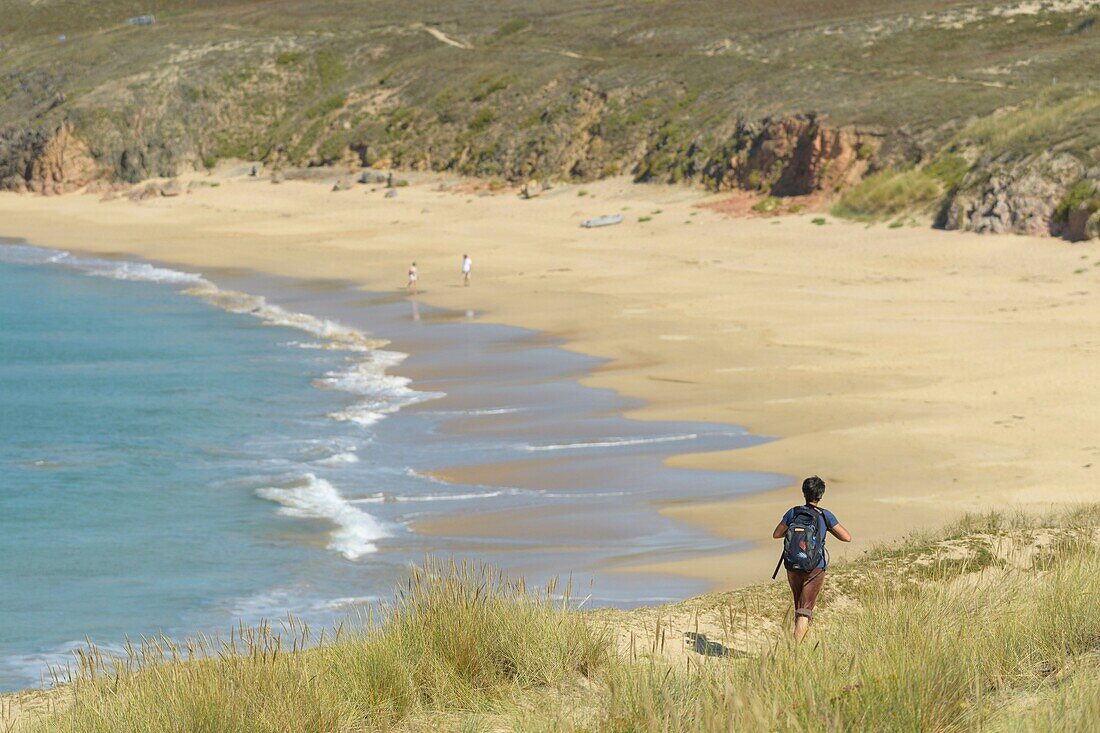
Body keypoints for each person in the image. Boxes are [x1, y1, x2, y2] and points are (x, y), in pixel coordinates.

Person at [772, 476, 851, 642]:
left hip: (792, 565)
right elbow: (846, 537)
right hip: (815, 567)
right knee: (805, 610)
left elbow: (776, 534)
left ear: (804, 493)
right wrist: (827, 529)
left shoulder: (793, 512)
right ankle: (796, 652)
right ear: (820, 495)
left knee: (799, 606)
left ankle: (800, 642)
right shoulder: (824, 515)